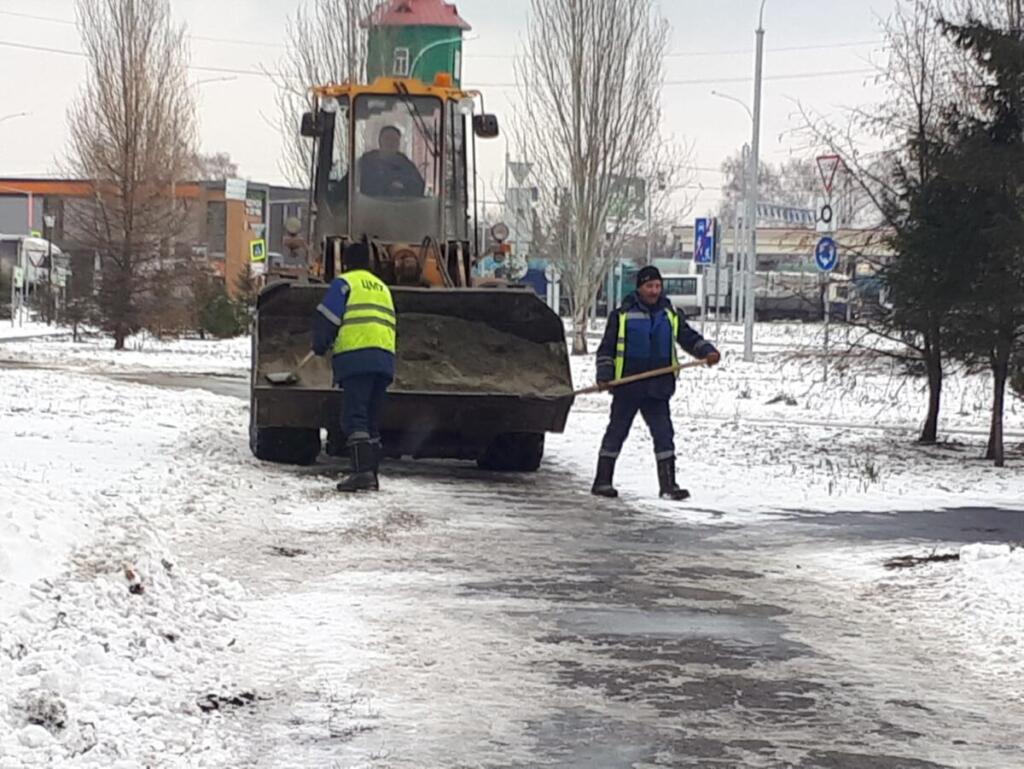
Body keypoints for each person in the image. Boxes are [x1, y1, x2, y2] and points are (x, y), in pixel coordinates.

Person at [592, 265, 721, 501]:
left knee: (664, 435)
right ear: (640, 288)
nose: (654, 291)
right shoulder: (622, 315)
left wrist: (707, 352)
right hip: (628, 385)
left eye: (658, 286)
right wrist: (604, 375)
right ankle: (602, 481)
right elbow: (606, 349)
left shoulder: (669, 314)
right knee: (616, 432)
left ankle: (668, 485)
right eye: (649, 286)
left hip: (658, 386)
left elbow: (688, 337)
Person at [312, 242, 397, 492]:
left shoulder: (345, 284)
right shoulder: (382, 287)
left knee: (354, 417)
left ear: (346, 262)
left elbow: (327, 317)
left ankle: (361, 473)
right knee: (371, 419)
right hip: (383, 360)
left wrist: (320, 344)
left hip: (357, 358)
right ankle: (371, 472)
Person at [358, 125, 426, 198]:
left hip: (401, 207)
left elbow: (419, 188)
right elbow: (347, 188)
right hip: (369, 207)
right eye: (387, 139)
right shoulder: (365, 163)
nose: (391, 143)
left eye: (395, 140)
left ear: (398, 143)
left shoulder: (407, 165)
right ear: (380, 141)